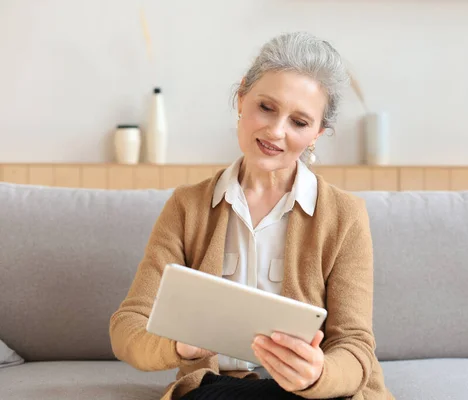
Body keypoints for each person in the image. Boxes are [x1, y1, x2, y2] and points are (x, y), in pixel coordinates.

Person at [109, 31, 393, 400]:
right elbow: (128, 326)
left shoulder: (345, 216)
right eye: (267, 107)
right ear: (242, 97)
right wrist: (177, 347)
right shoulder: (187, 206)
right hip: (217, 390)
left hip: (309, 394)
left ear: (317, 134)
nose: (276, 131)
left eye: (300, 122)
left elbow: (355, 346)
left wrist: (318, 373)